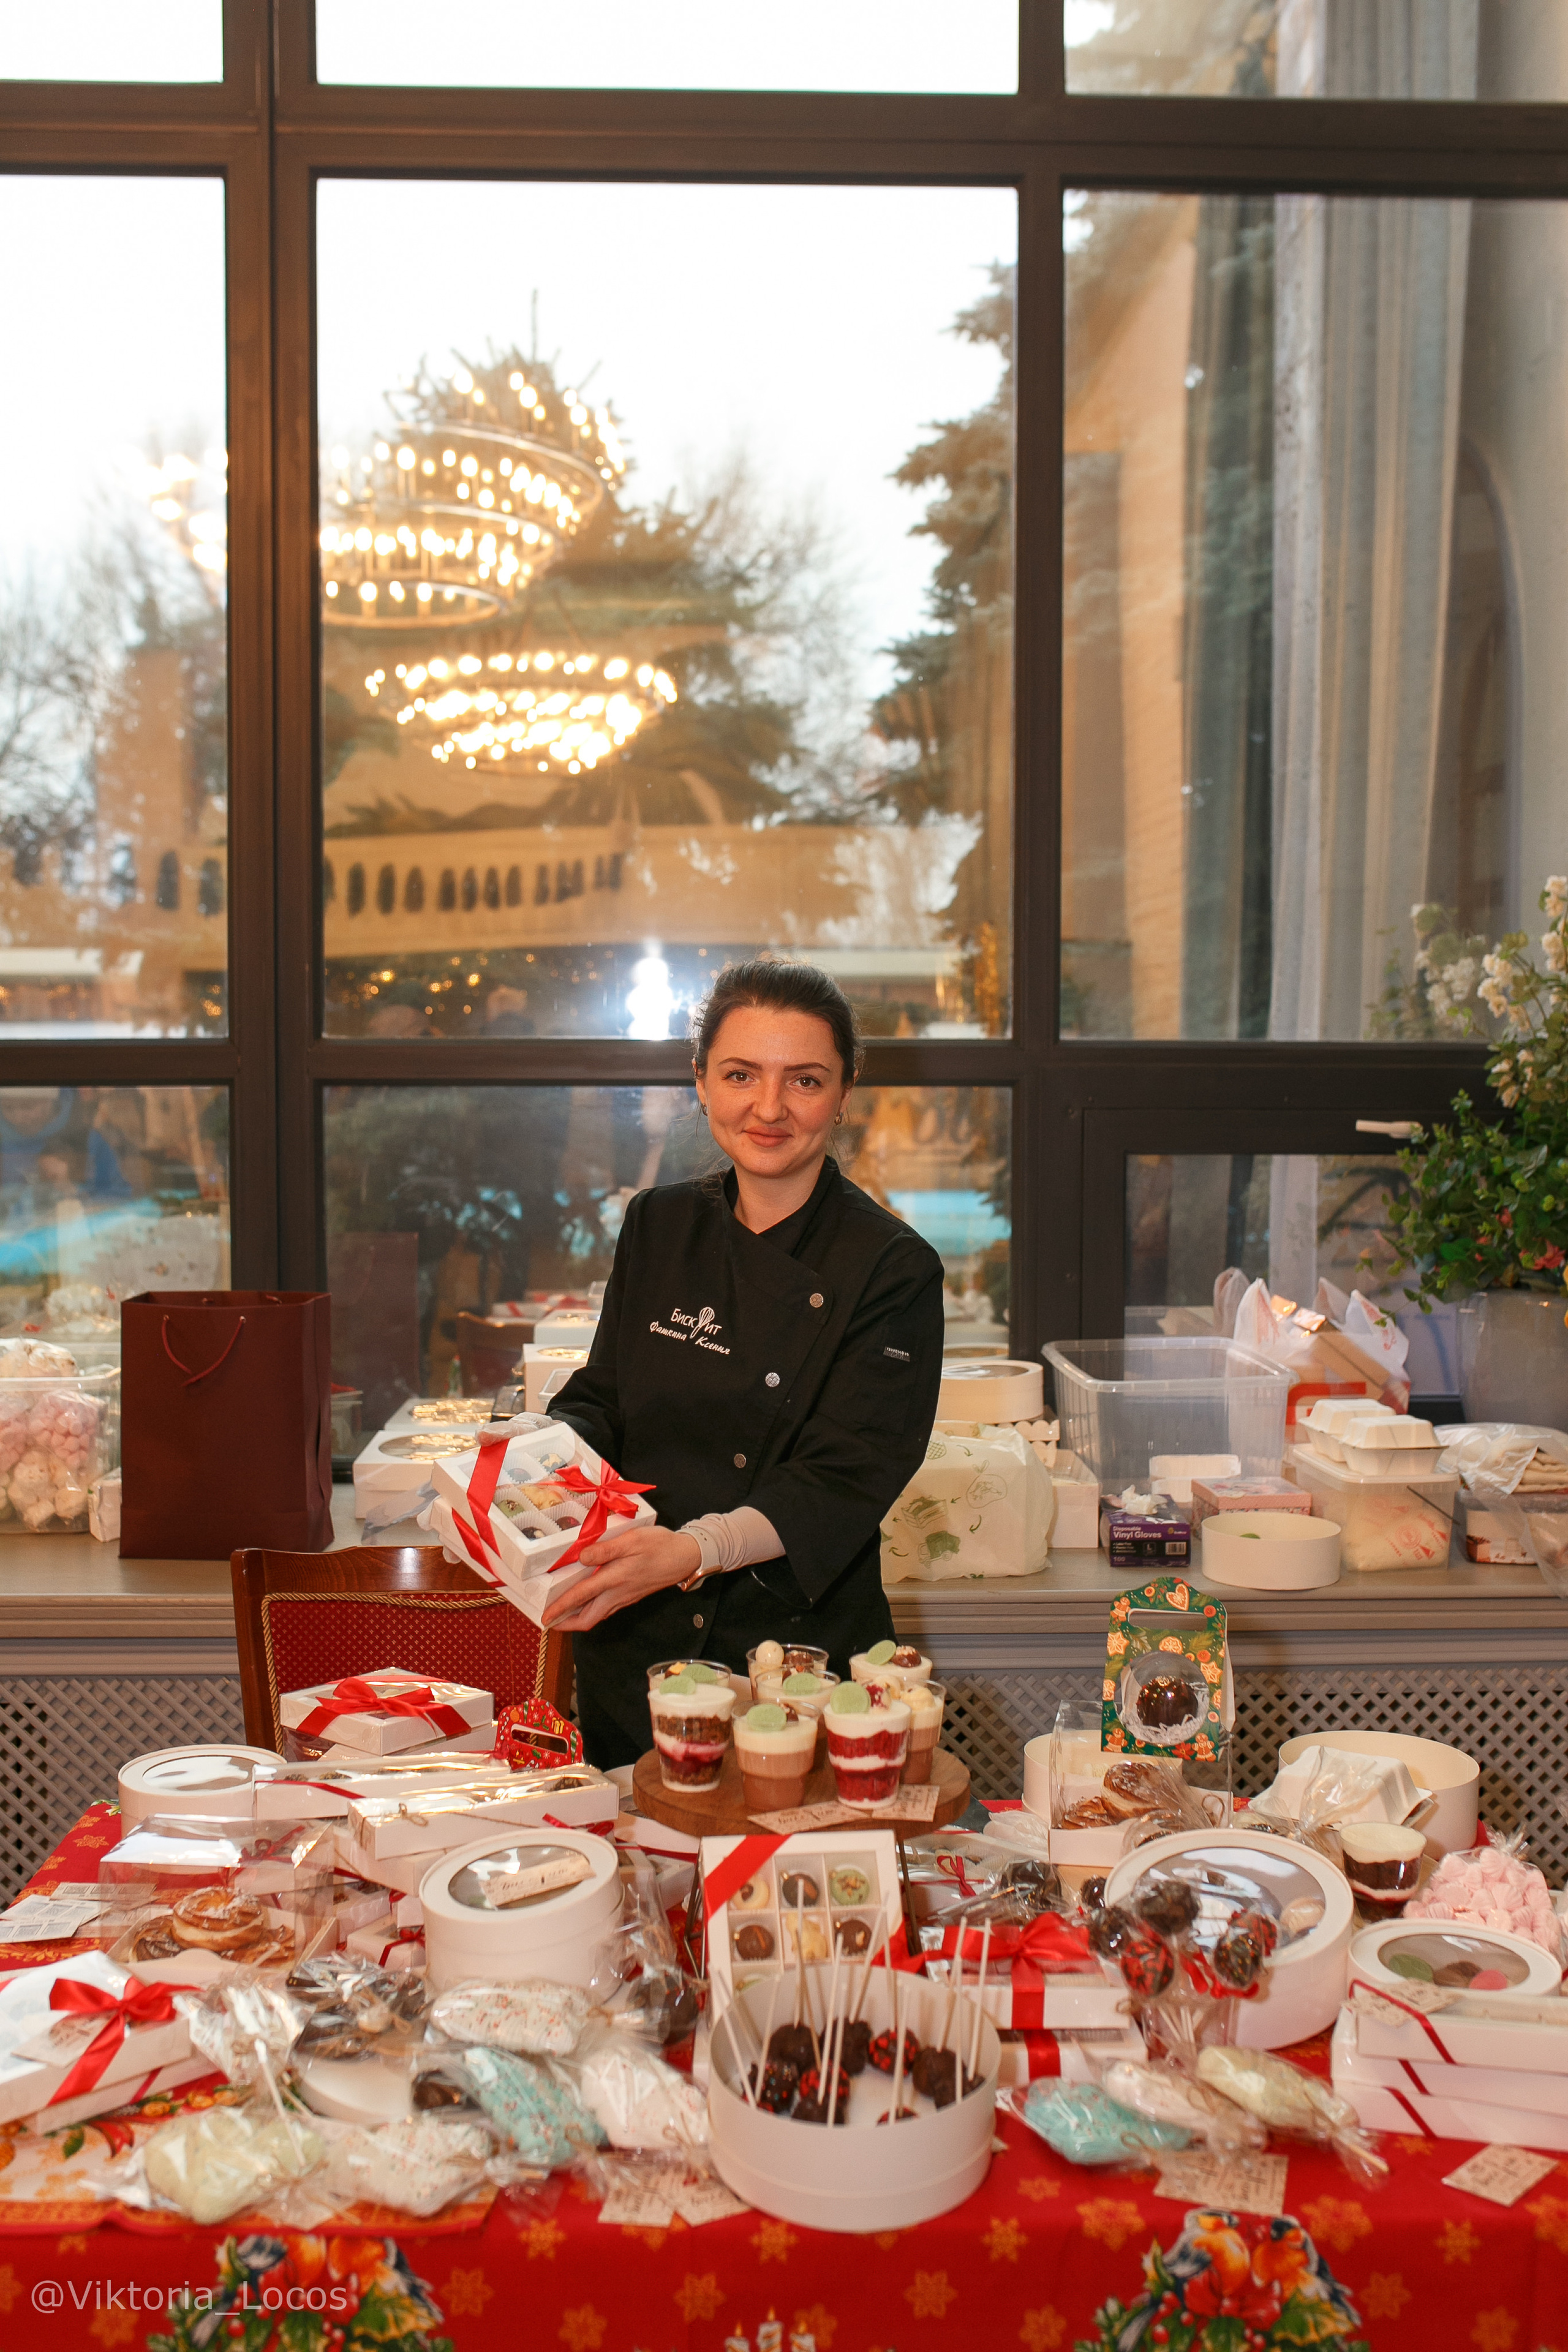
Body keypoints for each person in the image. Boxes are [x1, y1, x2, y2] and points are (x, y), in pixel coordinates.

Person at [543, 959, 944, 1769]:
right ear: (700, 1082)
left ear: (844, 1092)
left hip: (797, 1667)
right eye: (740, 1075)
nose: (768, 1108)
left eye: (803, 1080)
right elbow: (606, 1397)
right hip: (638, 1649)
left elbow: (843, 1479)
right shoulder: (659, 1223)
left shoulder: (892, 1266)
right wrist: (530, 1459)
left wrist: (692, 1552)